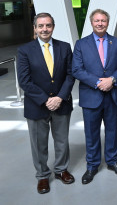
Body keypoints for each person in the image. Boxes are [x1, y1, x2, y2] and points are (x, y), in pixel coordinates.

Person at [17, 13, 76, 194]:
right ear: (35, 28)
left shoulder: (64, 47)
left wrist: (60, 97)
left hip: (62, 103)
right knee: (38, 143)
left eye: (48, 25)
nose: (44, 29)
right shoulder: (25, 50)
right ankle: (42, 175)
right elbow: (24, 81)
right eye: (41, 26)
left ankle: (61, 170)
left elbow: (70, 74)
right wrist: (45, 100)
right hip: (36, 106)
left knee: (62, 140)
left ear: (53, 27)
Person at [72, 9, 117, 184]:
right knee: (91, 132)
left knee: (112, 130)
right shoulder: (81, 44)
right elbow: (77, 70)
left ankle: (112, 161)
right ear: (91, 22)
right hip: (91, 95)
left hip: (113, 95)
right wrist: (99, 82)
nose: (100, 23)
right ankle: (92, 165)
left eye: (103, 21)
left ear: (107, 22)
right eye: (97, 20)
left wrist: (112, 80)